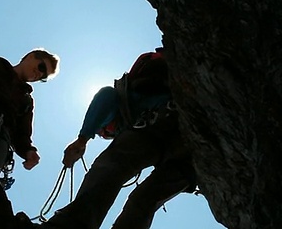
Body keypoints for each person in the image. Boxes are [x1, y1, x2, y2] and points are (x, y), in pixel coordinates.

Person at [43, 47, 196, 229]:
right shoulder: (147, 95)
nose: (109, 135)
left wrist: (82, 138)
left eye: (107, 132)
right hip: (193, 155)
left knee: (110, 166)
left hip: (164, 123)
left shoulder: (126, 98)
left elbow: (106, 96)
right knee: (144, 200)